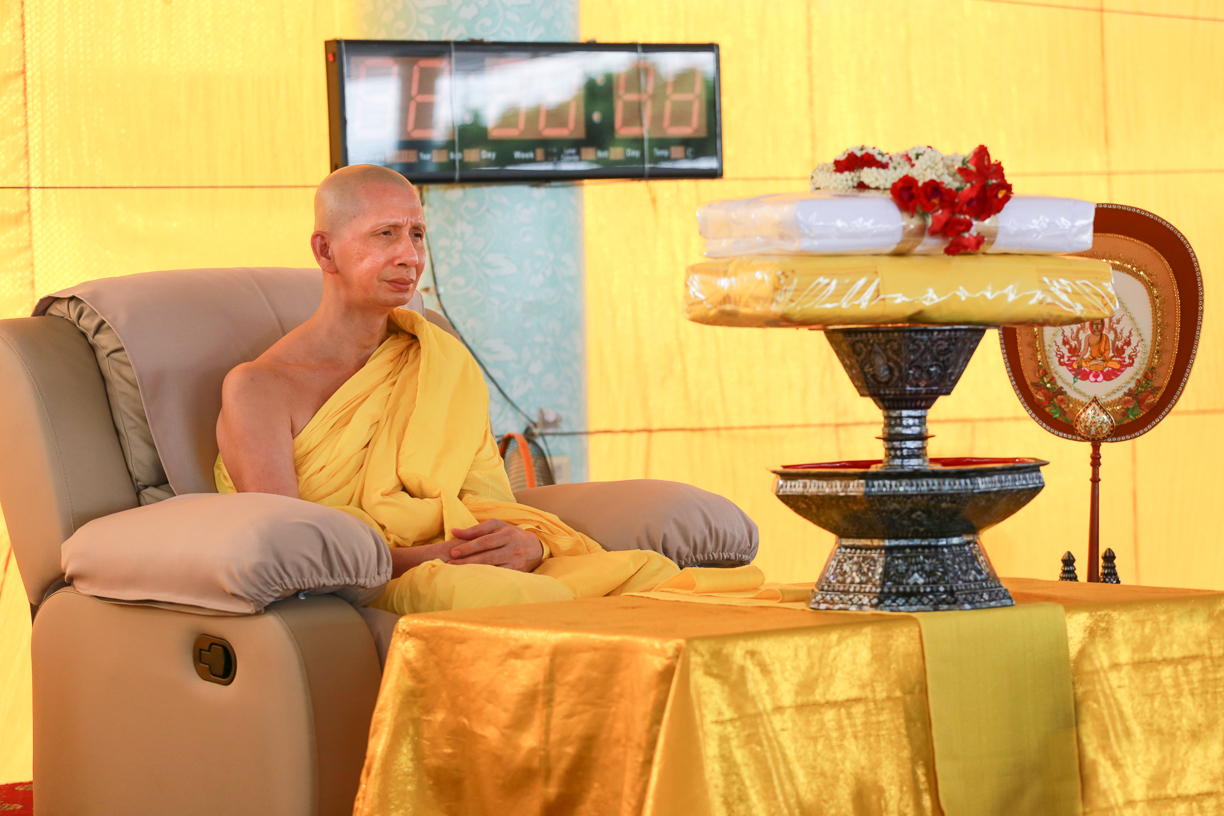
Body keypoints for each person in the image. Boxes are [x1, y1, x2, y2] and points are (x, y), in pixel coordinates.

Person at [214, 165, 678, 614]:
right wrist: (436, 558)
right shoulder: (258, 389)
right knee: (517, 599)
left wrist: (530, 543)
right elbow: (290, 549)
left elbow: (488, 500)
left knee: (655, 576)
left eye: (417, 234)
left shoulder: (437, 359)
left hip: (468, 563)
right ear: (325, 250)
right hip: (380, 579)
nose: (411, 256)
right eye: (385, 234)